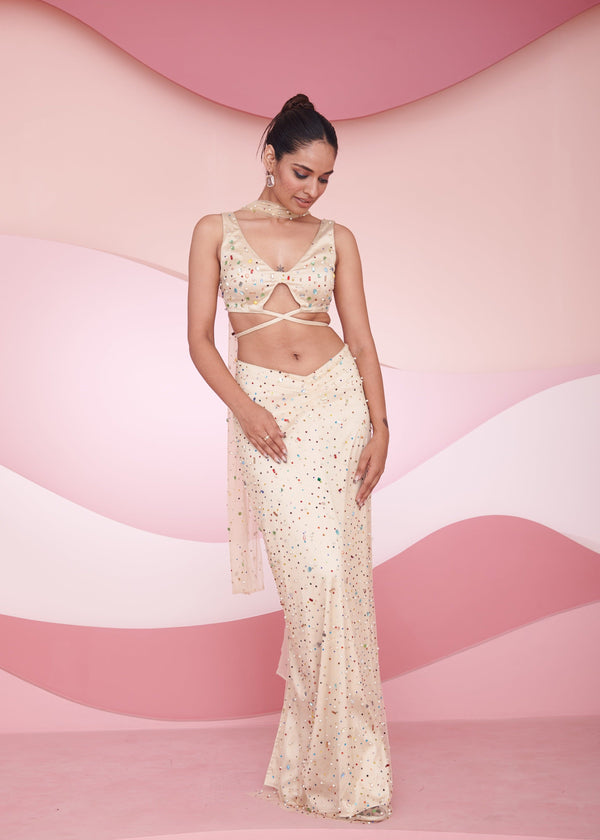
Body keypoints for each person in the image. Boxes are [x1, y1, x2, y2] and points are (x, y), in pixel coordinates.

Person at [187, 94, 392, 822]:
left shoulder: (338, 238)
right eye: (303, 172)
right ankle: (314, 761)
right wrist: (247, 410)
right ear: (271, 159)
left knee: (340, 585)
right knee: (310, 590)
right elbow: (200, 340)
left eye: (325, 178)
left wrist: (381, 425)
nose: (313, 190)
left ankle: (351, 773)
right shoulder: (214, 230)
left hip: (338, 406)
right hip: (267, 410)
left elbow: (361, 339)